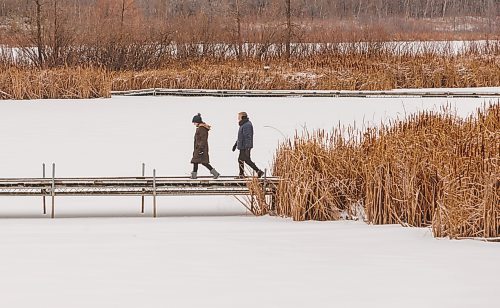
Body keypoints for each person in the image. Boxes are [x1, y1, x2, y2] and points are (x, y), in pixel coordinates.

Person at [232, 112, 264, 178]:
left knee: (243, 160)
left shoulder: (247, 125)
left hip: (245, 146)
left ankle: (244, 174)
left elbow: (248, 137)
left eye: (239, 116)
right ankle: (257, 172)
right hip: (242, 146)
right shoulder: (243, 124)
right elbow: (241, 137)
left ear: (243, 117)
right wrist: (235, 144)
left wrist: (248, 148)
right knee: (245, 160)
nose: (238, 118)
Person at [191, 113, 220, 179]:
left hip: (201, 148)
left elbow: (203, 139)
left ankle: (215, 174)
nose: (194, 124)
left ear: (198, 122)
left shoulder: (202, 129)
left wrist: (200, 149)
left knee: (202, 162)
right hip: (199, 148)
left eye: (194, 122)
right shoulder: (200, 128)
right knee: (197, 162)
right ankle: (194, 175)